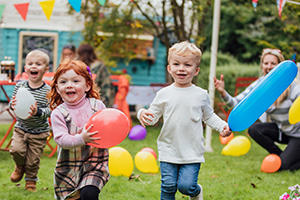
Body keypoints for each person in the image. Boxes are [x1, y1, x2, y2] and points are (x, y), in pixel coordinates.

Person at [137, 41, 232, 200]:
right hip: (168, 148)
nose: (181, 68)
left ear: (196, 70)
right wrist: (142, 113)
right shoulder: (164, 94)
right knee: (168, 186)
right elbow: (151, 118)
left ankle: (196, 191)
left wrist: (222, 126)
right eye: (176, 64)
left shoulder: (201, 94)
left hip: (192, 150)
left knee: (186, 186)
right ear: (169, 68)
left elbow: (209, 116)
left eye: (187, 65)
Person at [214, 48, 300, 171]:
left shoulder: (291, 86)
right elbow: (237, 104)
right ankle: (280, 156)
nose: (269, 66)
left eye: (273, 63)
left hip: (298, 134)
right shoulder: (260, 86)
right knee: (255, 129)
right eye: (266, 63)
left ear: (279, 66)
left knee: (285, 167)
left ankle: (287, 160)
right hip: (283, 131)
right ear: (262, 66)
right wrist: (223, 92)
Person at [48, 60, 110, 200]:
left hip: (94, 164)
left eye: (76, 81)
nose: (69, 85)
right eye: (63, 82)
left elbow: (108, 126)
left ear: (87, 85)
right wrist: (82, 138)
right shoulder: (58, 113)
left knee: (89, 194)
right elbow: (61, 139)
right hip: (68, 169)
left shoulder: (97, 106)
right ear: (57, 88)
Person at [9, 49, 51, 191]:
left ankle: (31, 180)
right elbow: (12, 104)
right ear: (25, 68)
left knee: (33, 159)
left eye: (38, 64)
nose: (34, 66)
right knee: (16, 150)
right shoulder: (20, 86)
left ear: (46, 69)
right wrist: (13, 105)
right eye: (30, 63)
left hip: (39, 132)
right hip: (21, 128)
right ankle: (19, 167)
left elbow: (51, 110)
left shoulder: (47, 90)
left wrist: (38, 111)